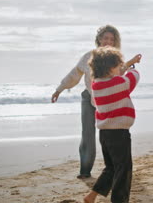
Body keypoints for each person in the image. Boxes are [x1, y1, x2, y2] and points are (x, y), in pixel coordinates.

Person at [51, 25, 130, 179]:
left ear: (115, 42)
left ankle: (116, 169)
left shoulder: (115, 59)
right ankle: (85, 171)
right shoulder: (88, 56)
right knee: (87, 135)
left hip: (108, 101)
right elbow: (75, 74)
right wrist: (59, 89)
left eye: (112, 39)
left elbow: (120, 79)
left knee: (110, 137)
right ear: (99, 39)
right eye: (105, 38)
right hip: (89, 99)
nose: (108, 41)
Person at [84, 47, 141, 203]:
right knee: (123, 169)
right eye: (118, 66)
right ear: (110, 68)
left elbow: (117, 77)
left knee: (111, 168)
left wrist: (125, 67)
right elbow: (134, 77)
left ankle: (91, 196)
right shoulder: (119, 83)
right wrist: (131, 68)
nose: (120, 69)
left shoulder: (96, 85)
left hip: (104, 134)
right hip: (119, 134)